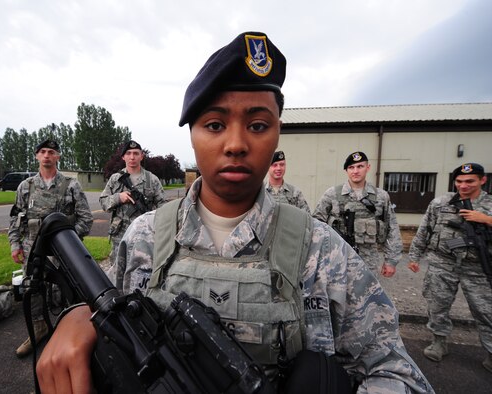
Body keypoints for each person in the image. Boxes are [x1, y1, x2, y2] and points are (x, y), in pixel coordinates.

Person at [37, 32, 433, 393]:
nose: (236, 144)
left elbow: (397, 374)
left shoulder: (321, 252)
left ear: (278, 132)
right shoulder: (144, 236)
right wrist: (77, 319)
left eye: (258, 125)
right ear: (192, 135)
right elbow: (111, 314)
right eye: (214, 124)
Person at [8, 138, 93, 357]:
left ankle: (70, 330)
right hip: (32, 250)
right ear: (37, 155)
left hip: (63, 252)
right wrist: (15, 245)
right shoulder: (25, 187)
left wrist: (72, 241)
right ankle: (39, 328)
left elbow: (85, 218)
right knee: (33, 290)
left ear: (58, 156)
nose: (47, 155)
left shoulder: (70, 185)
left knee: (69, 288)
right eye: (43, 151)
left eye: (51, 152)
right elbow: (16, 218)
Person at [408, 162, 492, 371]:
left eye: (469, 181)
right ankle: (439, 342)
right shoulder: (441, 203)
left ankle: (490, 351)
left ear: (483, 180)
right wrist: (414, 256)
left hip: (478, 267)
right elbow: (424, 230)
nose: (463, 186)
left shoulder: (490, 205)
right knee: (437, 304)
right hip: (442, 262)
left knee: (485, 311)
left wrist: (487, 219)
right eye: (459, 181)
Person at [312, 152, 403, 277]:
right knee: (336, 296)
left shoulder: (381, 196)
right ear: (346, 170)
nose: (355, 171)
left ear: (368, 167)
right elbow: (316, 224)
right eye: (351, 167)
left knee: (369, 296)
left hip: (368, 262)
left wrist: (391, 260)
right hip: (336, 259)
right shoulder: (332, 194)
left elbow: (392, 228)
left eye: (360, 166)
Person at [99, 140, 165, 263]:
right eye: (128, 153)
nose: (132, 157)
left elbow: (163, 207)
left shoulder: (152, 180)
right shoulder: (115, 179)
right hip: (120, 235)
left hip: (145, 235)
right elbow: (103, 202)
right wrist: (118, 198)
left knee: (143, 269)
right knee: (117, 270)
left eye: (135, 153)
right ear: (123, 157)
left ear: (141, 156)